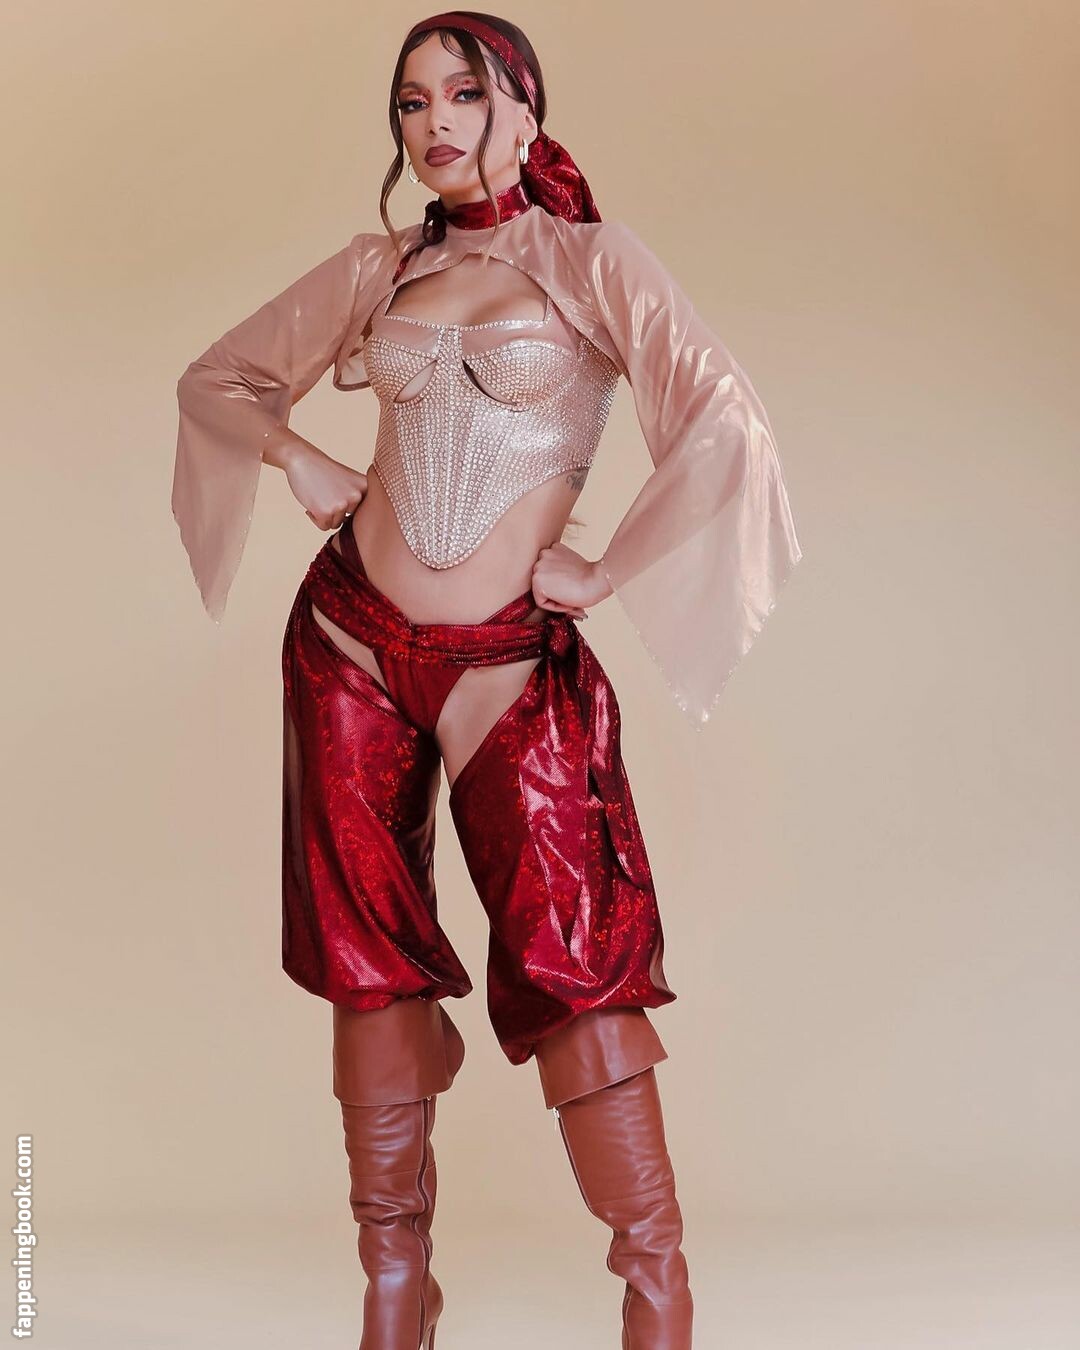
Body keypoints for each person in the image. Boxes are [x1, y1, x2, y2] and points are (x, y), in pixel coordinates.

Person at [171, 11, 802, 1349]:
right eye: (412, 102)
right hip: (348, 642)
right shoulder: (381, 266)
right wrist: (300, 455)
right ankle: (395, 1291)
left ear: (525, 108)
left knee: (579, 964)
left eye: (463, 93)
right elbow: (216, 382)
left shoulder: (592, 261)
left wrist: (608, 566)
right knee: (367, 965)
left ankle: (658, 1292)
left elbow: (723, 418)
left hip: (505, 663)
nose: (436, 122)